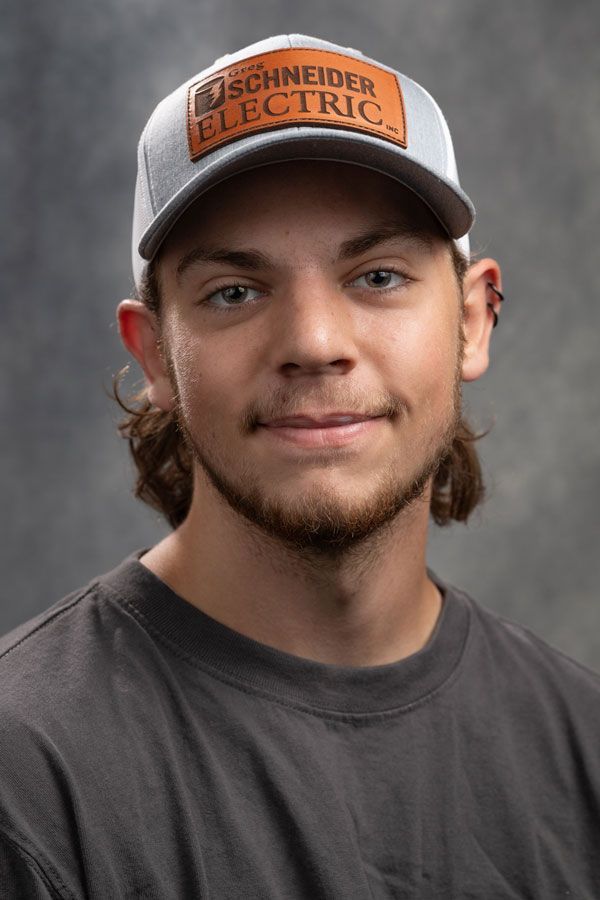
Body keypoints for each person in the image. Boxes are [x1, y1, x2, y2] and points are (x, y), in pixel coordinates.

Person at [0, 33, 598, 899]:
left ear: (473, 320)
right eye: (234, 292)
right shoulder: (26, 774)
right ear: (157, 354)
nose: (315, 344)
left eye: (380, 276)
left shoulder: (581, 748)